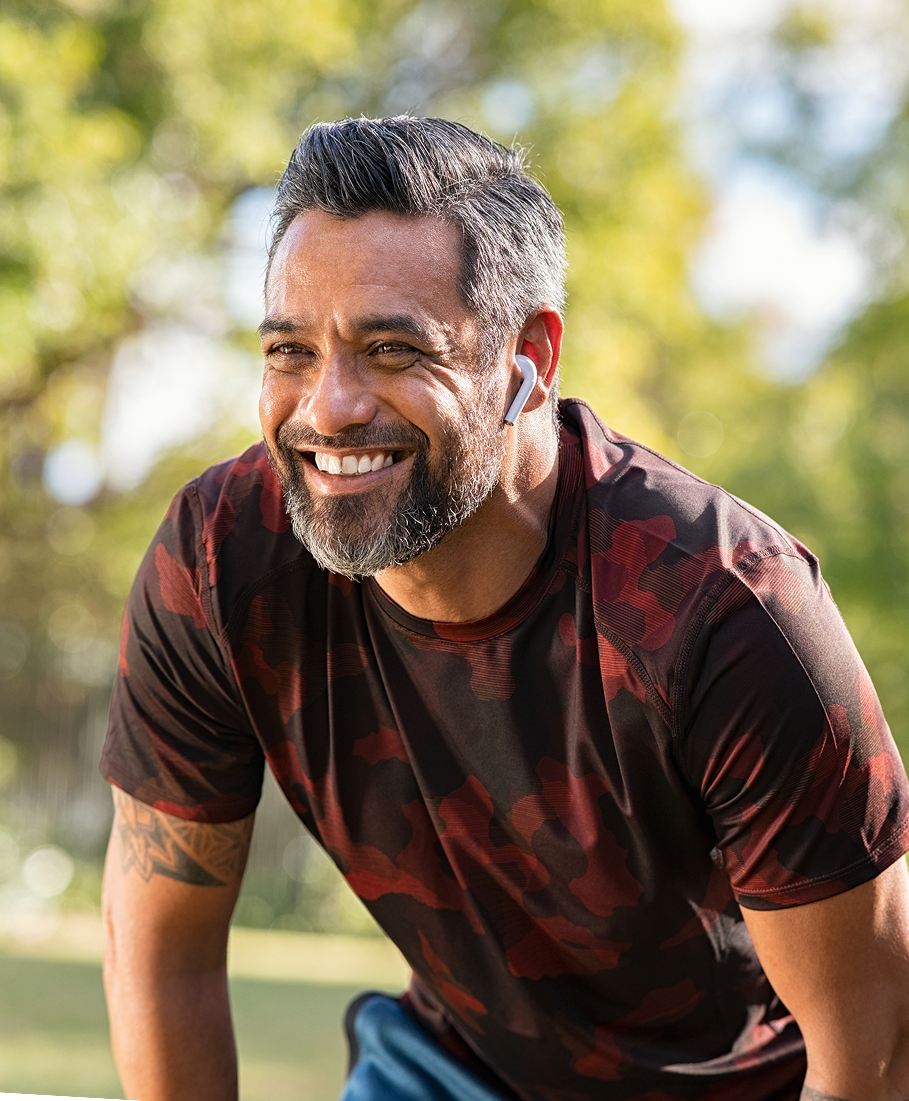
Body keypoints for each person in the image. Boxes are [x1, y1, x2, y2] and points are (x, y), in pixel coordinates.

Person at [100, 116, 909, 1101]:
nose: (329, 407)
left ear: (530, 356)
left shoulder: (726, 611)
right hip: (454, 1071)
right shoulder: (224, 562)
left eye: (393, 350)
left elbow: (867, 1056)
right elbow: (163, 953)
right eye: (290, 350)